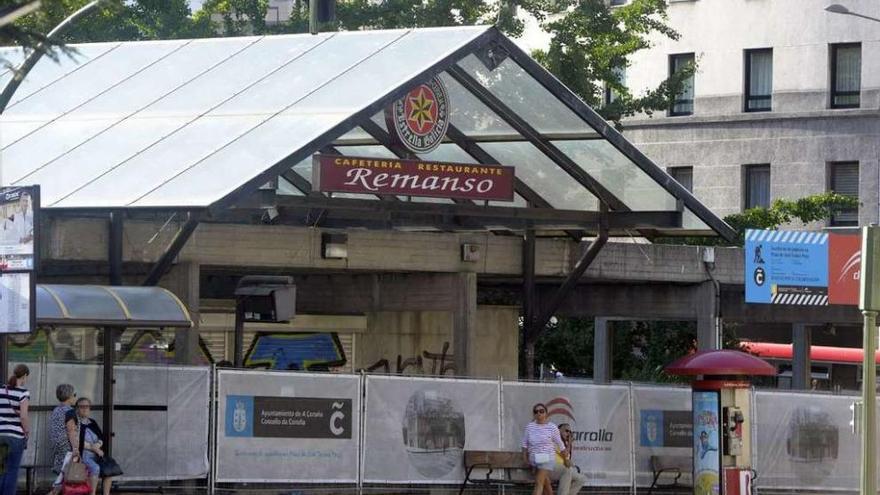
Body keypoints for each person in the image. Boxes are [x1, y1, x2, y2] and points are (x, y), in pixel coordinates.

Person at [522, 402, 565, 495]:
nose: (539, 413)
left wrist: (566, 458)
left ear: (546, 413)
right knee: (546, 484)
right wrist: (525, 458)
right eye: (536, 411)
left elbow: (560, 444)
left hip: (547, 458)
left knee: (538, 482)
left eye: (541, 411)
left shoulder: (552, 427)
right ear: (534, 414)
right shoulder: (530, 426)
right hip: (535, 460)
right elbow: (524, 444)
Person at [75, 398, 115, 495]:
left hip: (97, 453)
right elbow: (76, 440)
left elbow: (101, 437)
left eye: (87, 407)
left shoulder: (92, 422)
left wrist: (97, 445)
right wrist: (93, 448)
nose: (85, 409)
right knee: (95, 468)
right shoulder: (75, 423)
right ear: (76, 409)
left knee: (108, 469)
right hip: (83, 453)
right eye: (81, 407)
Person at [0, 364, 29, 495]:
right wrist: (27, 431)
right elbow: (23, 416)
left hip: (1, 435)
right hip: (16, 437)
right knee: (12, 470)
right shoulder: (23, 392)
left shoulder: (1, 389)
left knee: (1, 469)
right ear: (25, 376)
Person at [48, 384, 79, 495]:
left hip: (57, 446)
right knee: (66, 477)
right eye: (75, 394)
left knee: (63, 476)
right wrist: (75, 448)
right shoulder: (69, 411)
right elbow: (71, 431)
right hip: (67, 448)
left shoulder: (56, 410)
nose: (75, 397)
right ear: (69, 396)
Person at [546, 423, 587, 495]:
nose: (568, 434)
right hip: (551, 468)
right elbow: (565, 454)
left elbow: (567, 461)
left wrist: (569, 443)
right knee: (567, 470)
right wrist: (570, 443)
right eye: (566, 431)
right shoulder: (554, 439)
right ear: (558, 430)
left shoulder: (565, 444)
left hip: (561, 469)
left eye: (570, 432)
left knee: (581, 478)